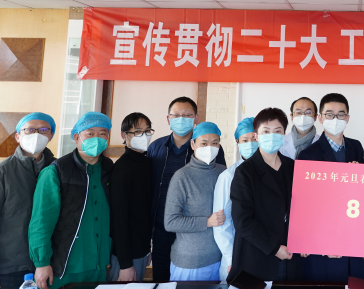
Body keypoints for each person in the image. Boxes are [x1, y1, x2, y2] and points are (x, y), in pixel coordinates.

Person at [0, 113, 57, 289]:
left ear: (50, 136)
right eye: (30, 130)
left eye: (43, 130)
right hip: (9, 269)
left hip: (50, 266)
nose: (36, 134)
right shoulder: (0, 173)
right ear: (18, 136)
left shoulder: (59, 170)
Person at [29, 112, 113, 289]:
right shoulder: (56, 172)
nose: (96, 138)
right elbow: (41, 222)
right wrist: (42, 263)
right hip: (64, 266)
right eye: (90, 133)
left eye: (102, 133)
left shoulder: (110, 170)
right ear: (76, 137)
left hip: (99, 265)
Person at [148, 97, 227, 281]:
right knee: (161, 277)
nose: (181, 119)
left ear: (195, 118)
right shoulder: (156, 147)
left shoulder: (206, 148)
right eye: (176, 115)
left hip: (197, 234)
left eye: (187, 115)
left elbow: (218, 185)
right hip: (161, 226)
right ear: (168, 119)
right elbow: (148, 187)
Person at [297, 93, 364, 282]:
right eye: (329, 114)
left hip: (352, 235)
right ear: (320, 118)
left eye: (340, 114)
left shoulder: (356, 147)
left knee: (355, 282)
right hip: (323, 243)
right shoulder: (307, 155)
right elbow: (304, 203)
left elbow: (363, 192)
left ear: (348, 118)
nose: (335, 119)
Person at [229, 108, 302, 282]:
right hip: (257, 255)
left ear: (284, 134)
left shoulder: (293, 167)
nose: (272, 136)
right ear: (256, 136)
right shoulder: (245, 172)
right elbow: (242, 221)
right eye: (266, 131)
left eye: (277, 131)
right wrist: (274, 248)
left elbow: (303, 209)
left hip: (290, 254)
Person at [164, 121, 227, 281]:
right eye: (204, 143)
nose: (209, 148)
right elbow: (170, 222)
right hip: (190, 262)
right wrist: (207, 222)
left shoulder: (223, 173)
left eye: (215, 143)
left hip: (220, 259)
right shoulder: (182, 177)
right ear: (193, 144)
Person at [108, 113, 154, 282]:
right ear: (124, 135)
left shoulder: (147, 162)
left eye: (147, 131)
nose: (144, 136)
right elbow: (119, 220)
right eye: (137, 131)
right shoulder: (123, 168)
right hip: (125, 256)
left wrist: (147, 249)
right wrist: (125, 264)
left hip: (141, 249)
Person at [214, 118, 259, 278]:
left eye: (254, 139)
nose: (250, 144)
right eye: (245, 140)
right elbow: (221, 223)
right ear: (237, 142)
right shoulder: (228, 176)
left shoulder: (270, 171)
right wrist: (231, 257)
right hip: (236, 253)